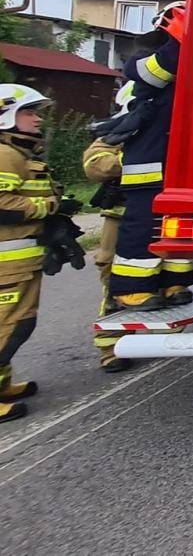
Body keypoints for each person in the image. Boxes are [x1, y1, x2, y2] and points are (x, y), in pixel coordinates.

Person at [107, 2, 193, 311]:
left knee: (179, 224)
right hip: (148, 162)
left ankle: (174, 283)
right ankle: (131, 288)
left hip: (175, 163)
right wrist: (183, 39)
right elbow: (160, 70)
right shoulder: (143, 61)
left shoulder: (190, 61)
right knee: (143, 223)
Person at [0, 85, 63, 423]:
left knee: (13, 324)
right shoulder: (4, 155)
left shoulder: (18, 154)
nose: (37, 119)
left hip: (19, 261)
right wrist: (49, 206)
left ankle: (3, 385)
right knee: (10, 326)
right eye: (30, 112)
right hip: (7, 264)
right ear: (6, 115)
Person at [84, 82, 134, 372]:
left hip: (153, 220)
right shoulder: (114, 134)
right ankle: (110, 347)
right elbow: (95, 165)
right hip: (119, 221)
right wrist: (136, 154)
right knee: (115, 282)